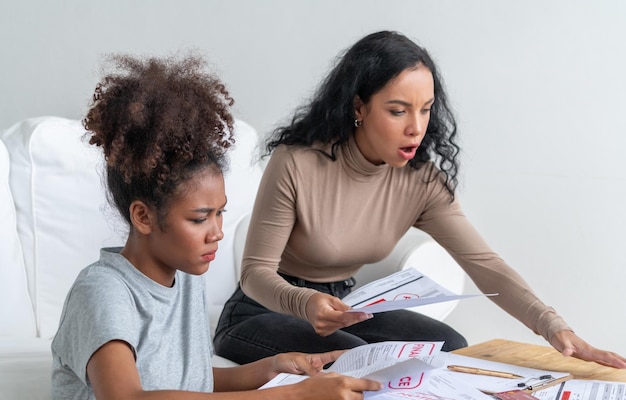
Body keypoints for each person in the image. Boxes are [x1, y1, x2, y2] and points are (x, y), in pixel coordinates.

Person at [214, 30, 626, 369]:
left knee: (450, 345)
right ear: (359, 106)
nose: (416, 128)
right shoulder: (297, 163)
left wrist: (555, 328)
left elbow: (486, 266)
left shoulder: (421, 183)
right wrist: (304, 302)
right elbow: (254, 273)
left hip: (348, 305)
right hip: (259, 312)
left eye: (425, 110)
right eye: (398, 111)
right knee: (364, 359)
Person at [50, 53, 382, 399]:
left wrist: (273, 369)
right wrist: (293, 395)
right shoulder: (103, 292)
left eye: (220, 213)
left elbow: (189, 384)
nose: (217, 232)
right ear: (143, 217)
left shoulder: (187, 275)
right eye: (199, 218)